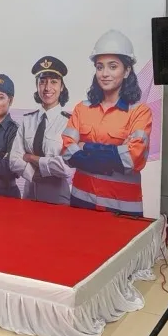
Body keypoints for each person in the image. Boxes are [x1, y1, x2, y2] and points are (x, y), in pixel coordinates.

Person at [61, 29, 153, 216]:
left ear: (127, 71)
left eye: (113, 66)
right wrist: (114, 153)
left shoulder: (140, 112)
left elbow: (131, 159)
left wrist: (84, 146)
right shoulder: (82, 108)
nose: (104, 73)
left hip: (123, 207)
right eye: (99, 67)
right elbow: (66, 152)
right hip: (81, 202)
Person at [9, 56, 73, 204]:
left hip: (57, 196)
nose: (47, 88)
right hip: (29, 193)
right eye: (42, 81)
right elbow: (13, 160)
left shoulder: (69, 123)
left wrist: (32, 158)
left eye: (53, 82)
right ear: (37, 86)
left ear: (62, 87)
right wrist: (33, 174)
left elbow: (66, 168)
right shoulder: (28, 120)